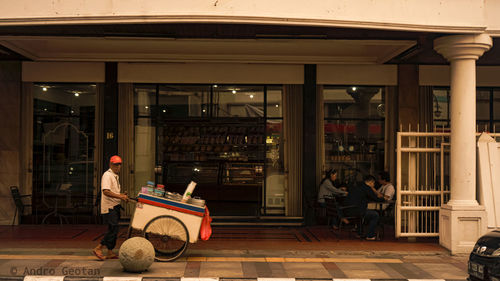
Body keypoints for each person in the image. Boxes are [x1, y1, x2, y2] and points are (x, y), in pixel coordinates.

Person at [92, 155, 129, 260]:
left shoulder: (115, 176)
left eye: (119, 164)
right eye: (115, 164)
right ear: (110, 164)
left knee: (114, 229)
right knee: (113, 229)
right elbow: (106, 191)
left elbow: (114, 192)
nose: (118, 166)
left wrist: (122, 195)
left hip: (115, 206)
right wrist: (120, 196)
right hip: (109, 207)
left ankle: (109, 251)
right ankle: (98, 247)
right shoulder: (107, 175)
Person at [344, 174, 385, 240]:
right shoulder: (367, 188)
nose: (374, 185)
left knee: (363, 212)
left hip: (348, 210)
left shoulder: (357, 186)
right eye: (373, 183)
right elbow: (376, 198)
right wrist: (383, 198)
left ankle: (359, 232)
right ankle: (370, 235)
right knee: (375, 215)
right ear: (370, 182)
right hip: (357, 212)